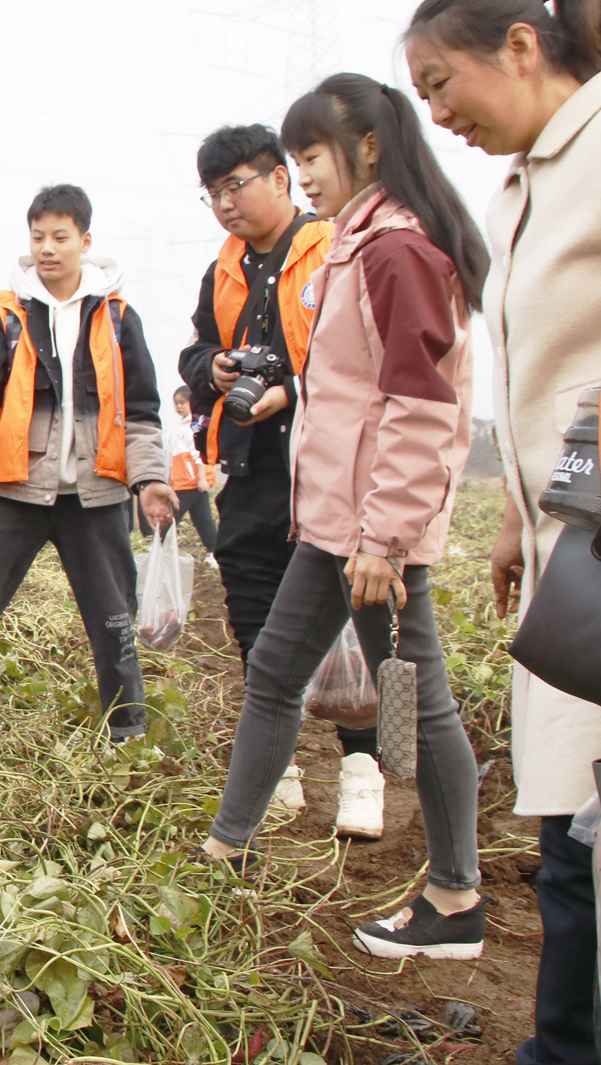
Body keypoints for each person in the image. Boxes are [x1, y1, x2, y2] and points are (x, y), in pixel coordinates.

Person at [199, 73, 488, 960]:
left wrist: (385, 539)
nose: (305, 175)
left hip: (370, 532)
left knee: (420, 702)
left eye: (312, 156)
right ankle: (226, 847)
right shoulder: (359, 246)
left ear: (365, 147)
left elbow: (419, 403)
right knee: (278, 670)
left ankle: (455, 893)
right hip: (334, 523)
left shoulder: (397, 249)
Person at [407, 0, 601, 1061]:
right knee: (573, 835)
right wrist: (517, 522)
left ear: (521, 46)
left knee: (584, 840)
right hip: (568, 548)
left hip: (597, 540)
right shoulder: (523, 182)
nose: (438, 113)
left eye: (443, 83)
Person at [0, 185, 176, 751]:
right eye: (38, 236)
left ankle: (128, 736)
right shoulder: (8, 315)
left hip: (97, 494)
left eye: (60, 237)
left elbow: (141, 410)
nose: (47, 248)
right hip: (15, 489)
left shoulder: (117, 318)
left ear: (85, 242)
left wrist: (150, 478)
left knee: (113, 619)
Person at [177, 123, 387, 831]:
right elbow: (196, 346)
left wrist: (289, 391)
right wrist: (214, 368)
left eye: (235, 185)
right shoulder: (225, 267)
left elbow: (359, 361)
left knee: (357, 625)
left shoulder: (331, 248)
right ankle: (282, 763)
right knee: (255, 616)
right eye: (212, 193)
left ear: (279, 179)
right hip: (247, 468)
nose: (225, 204)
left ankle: (366, 768)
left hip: (328, 468)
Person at [168, 387, 218, 554]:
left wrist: (202, 478)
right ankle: (213, 552)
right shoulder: (180, 425)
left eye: (182, 402)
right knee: (202, 518)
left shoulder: (194, 424)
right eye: (176, 403)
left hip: (191, 481)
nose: (178, 406)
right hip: (185, 480)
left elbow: (198, 453)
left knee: (170, 518)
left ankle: (163, 550)